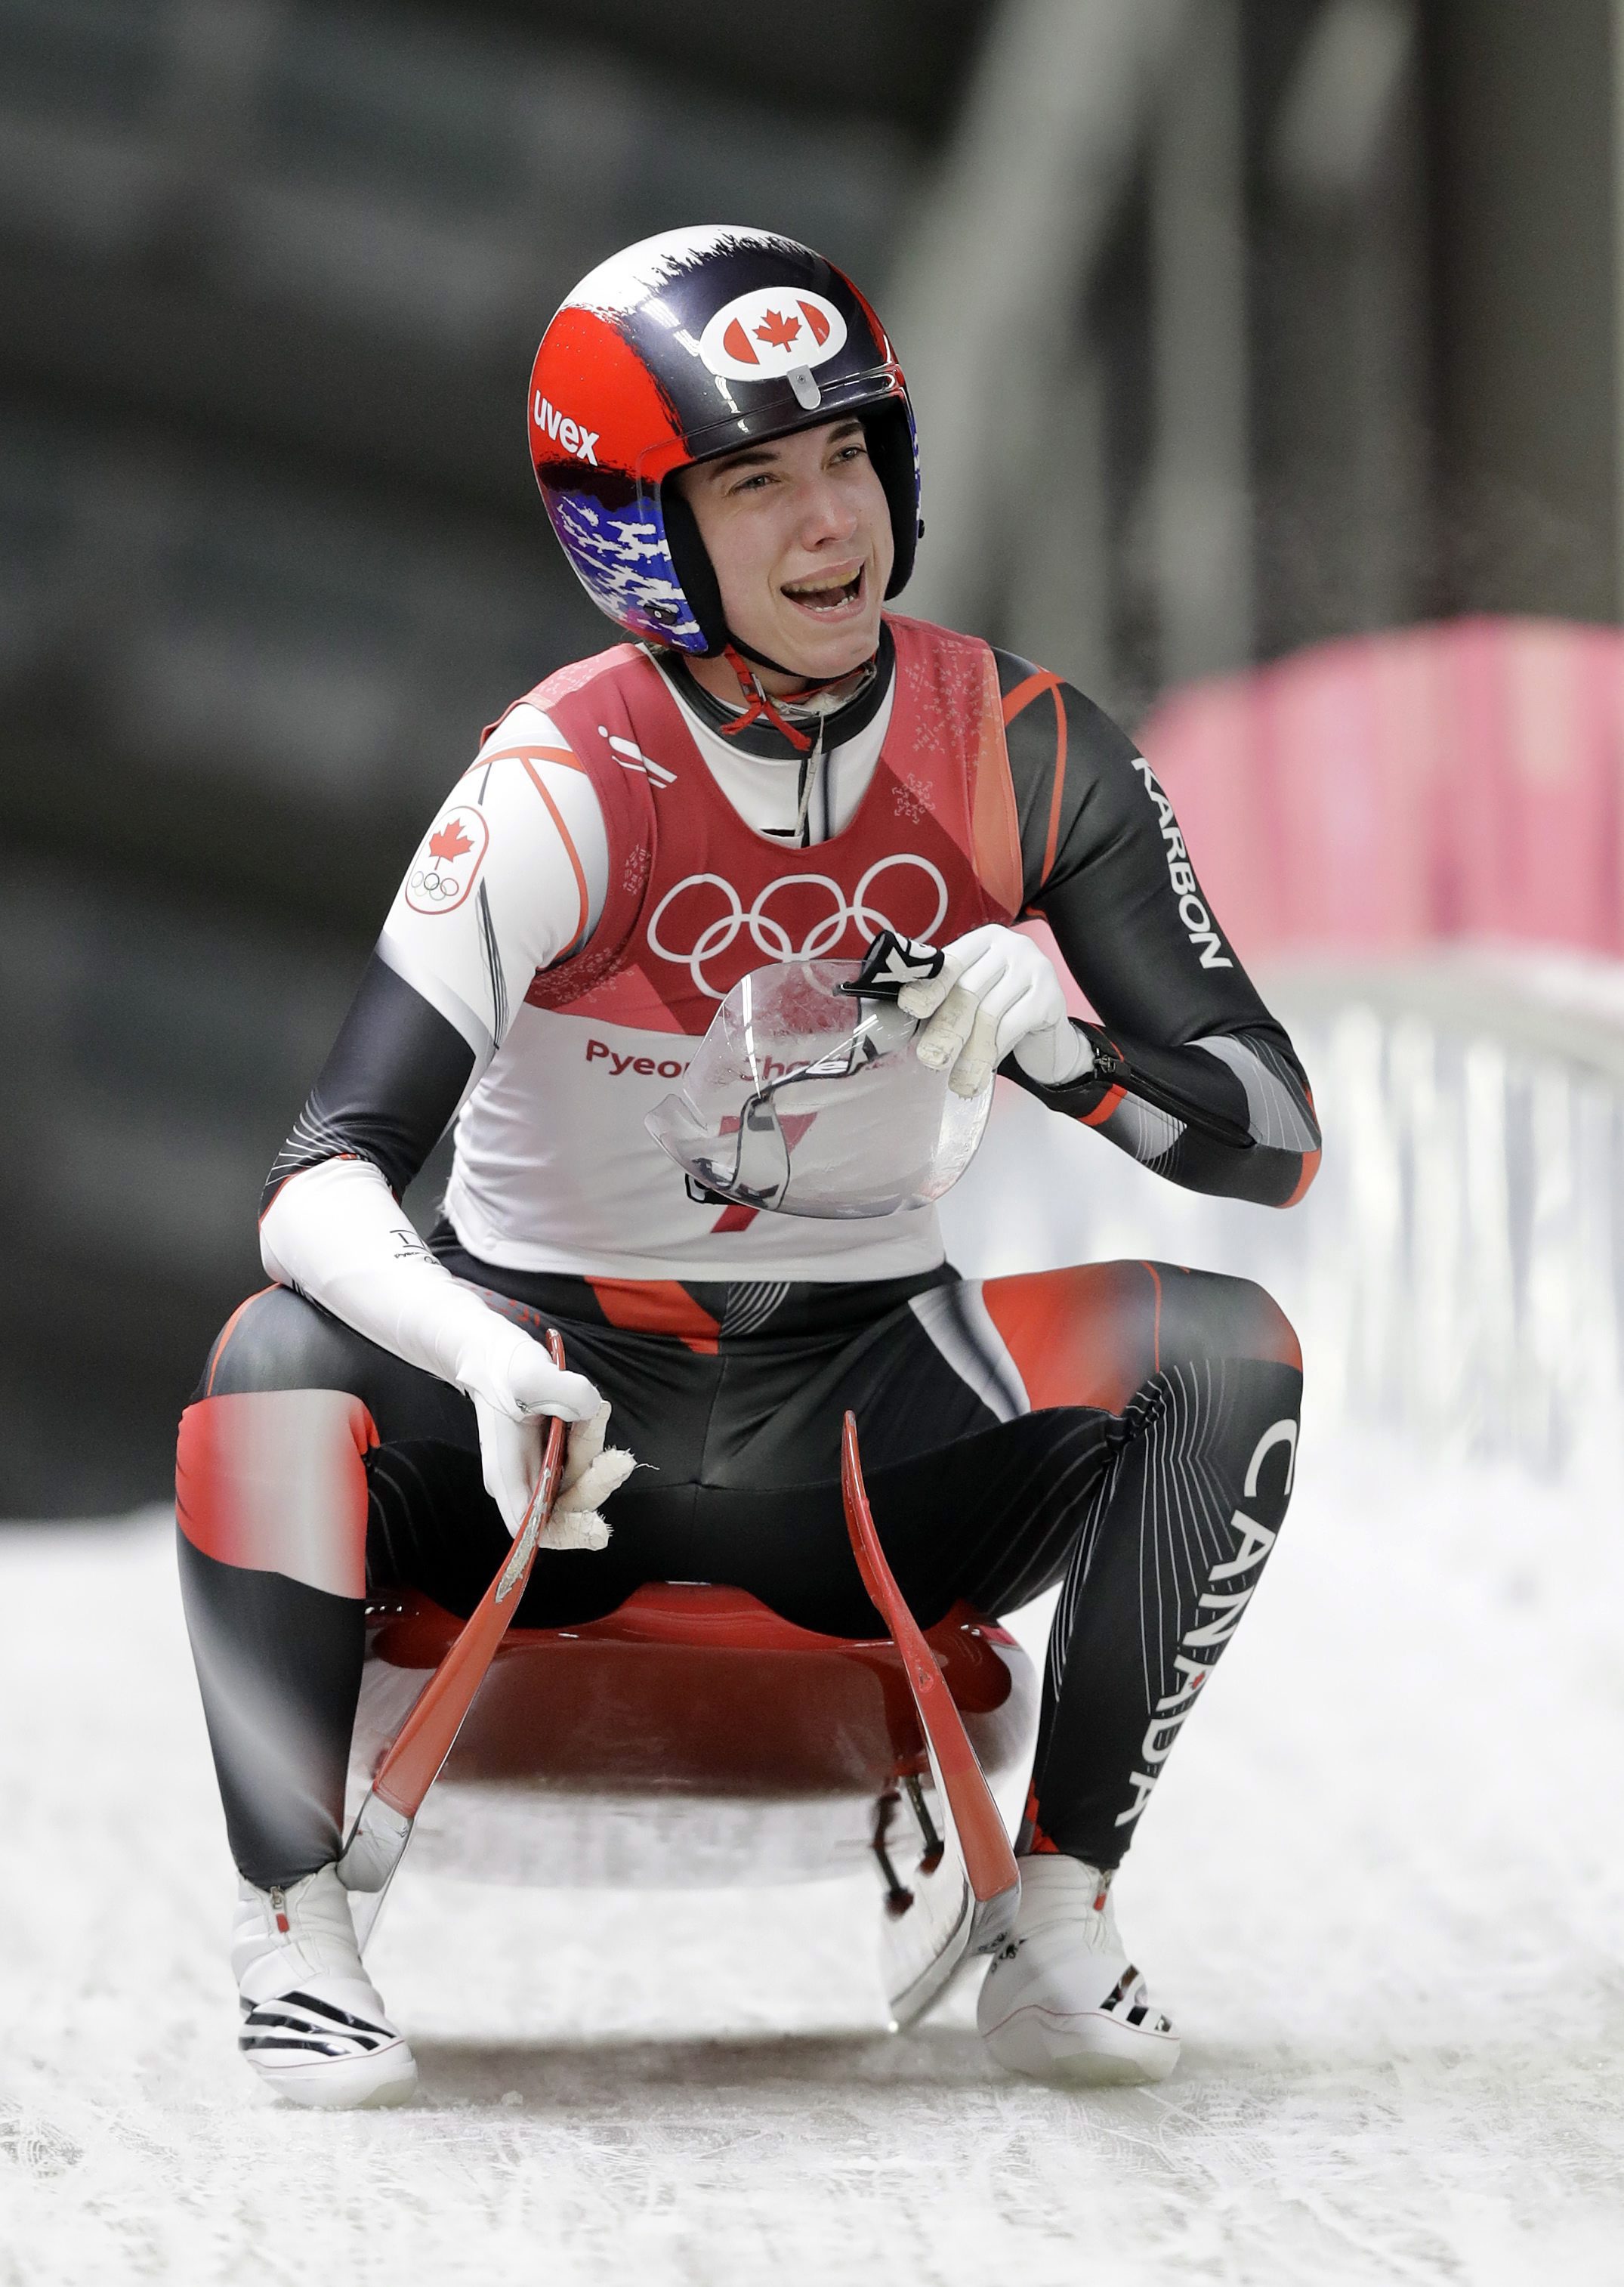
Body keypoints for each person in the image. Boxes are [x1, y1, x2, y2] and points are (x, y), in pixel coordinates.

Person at [175, 225, 1320, 2108]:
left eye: (851, 456)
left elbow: (1267, 1139)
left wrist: (1064, 1052)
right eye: (756, 480)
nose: (828, 527)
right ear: (642, 527)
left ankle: (1059, 1908)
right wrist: (474, 1353)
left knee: (1226, 1346)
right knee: (271, 1364)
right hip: (548, 1434)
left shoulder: (1029, 753)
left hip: (872, 1414)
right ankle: (293, 1924)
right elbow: (321, 1176)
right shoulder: (556, 778)